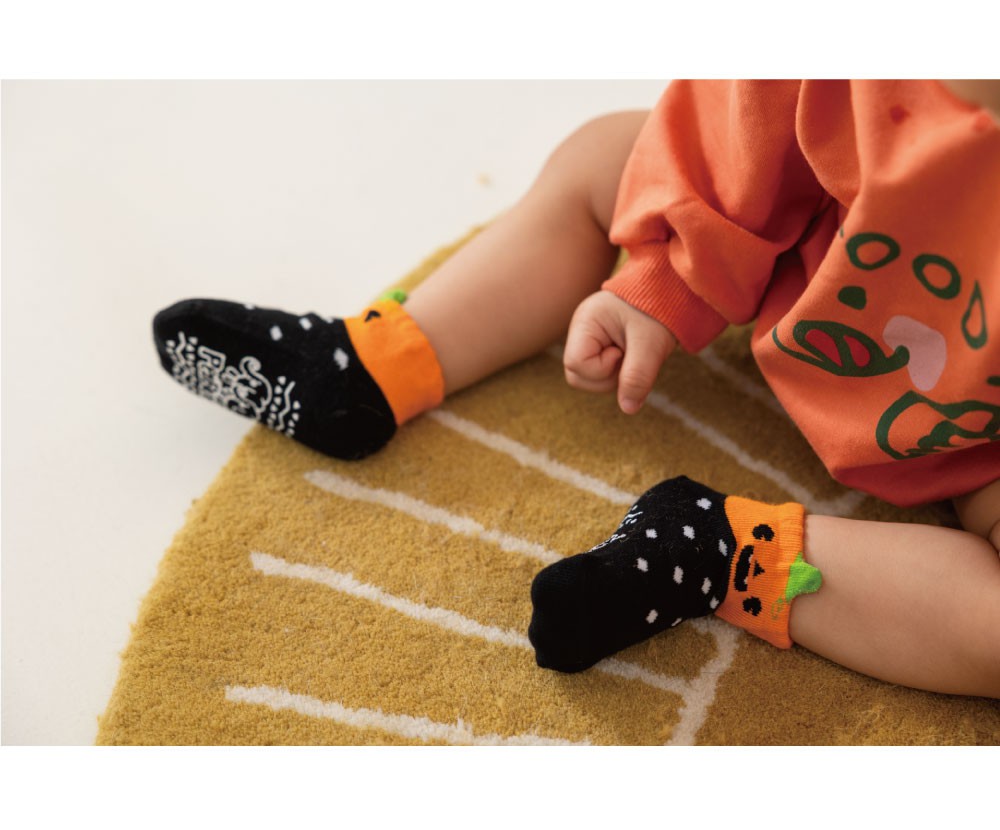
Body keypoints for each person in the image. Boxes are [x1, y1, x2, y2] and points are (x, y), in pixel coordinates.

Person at [153, 79, 1000, 700]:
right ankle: (374, 367)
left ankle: (719, 551)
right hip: (810, 282)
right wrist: (664, 279)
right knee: (609, 157)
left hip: (970, 436)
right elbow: (739, 132)